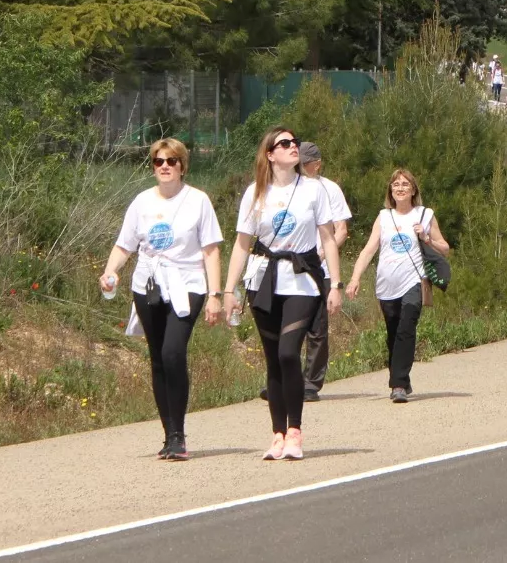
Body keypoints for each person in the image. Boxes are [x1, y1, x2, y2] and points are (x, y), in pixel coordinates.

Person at [222, 128, 343, 460]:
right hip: (263, 281)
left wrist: (335, 284)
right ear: (270, 154)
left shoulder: (313, 190)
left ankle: (295, 430)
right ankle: (277, 435)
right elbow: (242, 244)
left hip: (302, 282)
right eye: (285, 144)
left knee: (289, 353)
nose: (294, 148)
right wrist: (228, 290)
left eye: (295, 143)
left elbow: (329, 239)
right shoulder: (255, 194)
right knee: (274, 360)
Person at [100, 138, 223, 461]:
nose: (165, 166)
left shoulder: (198, 201)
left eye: (171, 161)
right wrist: (110, 271)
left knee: (173, 353)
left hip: (188, 284)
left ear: (182, 165)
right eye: (158, 161)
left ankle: (179, 434)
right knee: (157, 357)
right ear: (153, 166)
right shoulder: (142, 202)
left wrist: (215, 295)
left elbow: (211, 250)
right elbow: (125, 245)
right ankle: (168, 434)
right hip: (149, 284)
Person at [345, 168, 449, 402]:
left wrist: (427, 238)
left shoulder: (425, 214)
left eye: (405, 184)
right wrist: (355, 278)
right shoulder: (384, 217)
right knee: (393, 332)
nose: (400, 188)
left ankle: (398, 385)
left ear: (413, 190)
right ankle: (401, 377)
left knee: (406, 327)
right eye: (395, 184)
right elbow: (369, 249)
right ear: (390, 191)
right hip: (386, 283)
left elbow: (444, 247)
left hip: (413, 280)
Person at [297, 142, 351, 402]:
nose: (299, 167)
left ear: (316, 163)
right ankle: (286, 379)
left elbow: (341, 230)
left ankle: (311, 382)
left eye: (304, 163)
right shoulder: (289, 188)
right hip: (292, 267)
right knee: (288, 325)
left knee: (317, 327)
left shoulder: (330, 189)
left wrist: (318, 254)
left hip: (319, 265)